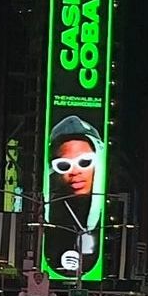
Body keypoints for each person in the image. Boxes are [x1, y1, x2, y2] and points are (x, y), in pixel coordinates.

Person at [45, 115, 105, 276]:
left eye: (85, 162)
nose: (75, 171)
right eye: (64, 165)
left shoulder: (107, 218)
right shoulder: (48, 218)